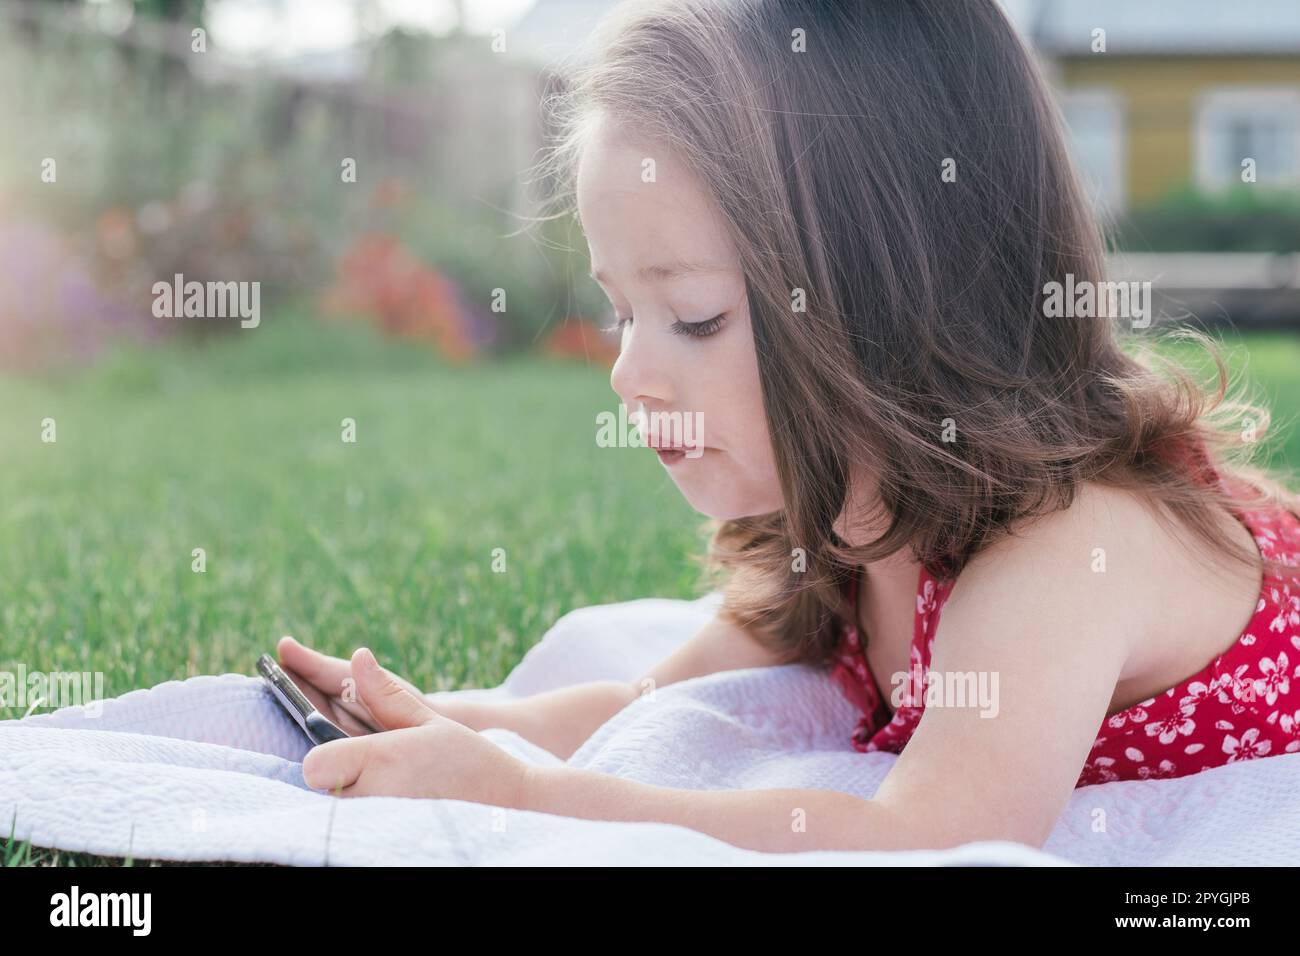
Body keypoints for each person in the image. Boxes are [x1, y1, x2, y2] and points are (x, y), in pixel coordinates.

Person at [280, 0, 1300, 853]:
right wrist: (433, 723)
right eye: (620, 312)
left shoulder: (1061, 551)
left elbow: (928, 841)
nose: (630, 371)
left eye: (695, 317)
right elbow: (631, 698)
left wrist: (518, 799)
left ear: (899, 302)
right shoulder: (843, 523)